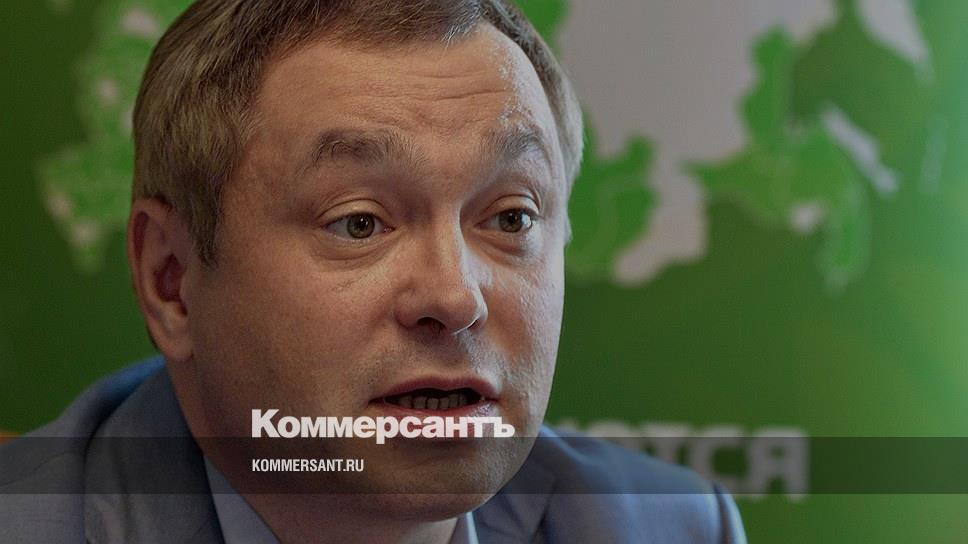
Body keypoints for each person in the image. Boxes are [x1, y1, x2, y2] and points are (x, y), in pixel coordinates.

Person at [0, 1, 746, 542]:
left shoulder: (670, 528)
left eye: (511, 218)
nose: (454, 297)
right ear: (171, 281)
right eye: (359, 222)